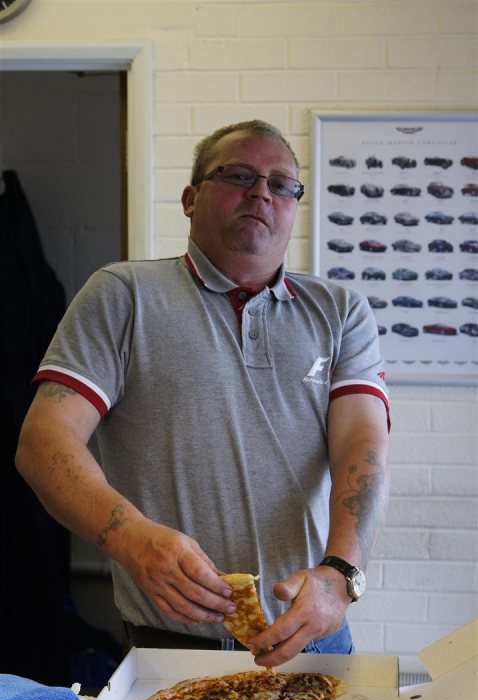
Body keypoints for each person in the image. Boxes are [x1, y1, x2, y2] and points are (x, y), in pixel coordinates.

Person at [16, 120, 390, 668]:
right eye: (238, 175)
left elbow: (364, 446)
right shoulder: (123, 296)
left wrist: (342, 572)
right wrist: (130, 537)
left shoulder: (340, 311)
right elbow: (43, 443)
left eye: (282, 184)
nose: (262, 191)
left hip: (315, 649)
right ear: (191, 199)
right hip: (168, 655)